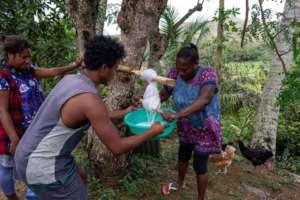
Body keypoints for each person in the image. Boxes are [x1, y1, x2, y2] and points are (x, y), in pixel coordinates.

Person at [14, 35, 165, 200]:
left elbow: (98, 117)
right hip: (41, 163)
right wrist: (152, 132)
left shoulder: (71, 80)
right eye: (114, 69)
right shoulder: (90, 100)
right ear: (104, 68)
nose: (115, 73)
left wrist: (126, 112)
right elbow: (117, 147)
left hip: (27, 153)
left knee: (81, 177)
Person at [0, 35, 82, 200]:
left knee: (36, 163)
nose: (28, 60)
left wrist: (74, 65)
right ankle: (11, 197)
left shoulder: (29, 70)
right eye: (23, 57)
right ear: (10, 55)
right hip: (12, 131)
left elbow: (51, 72)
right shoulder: (4, 77)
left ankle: (34, 195)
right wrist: (14, 139)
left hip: (33, 130)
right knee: (7, 166)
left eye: (29, 56)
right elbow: (3, 111)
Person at [160, 44, 222, 200]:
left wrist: (177, 115)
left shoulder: (207, 74)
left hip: (204, 125)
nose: (180, 73)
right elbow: (164, 95)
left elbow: (204, 100)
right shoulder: (174, 73)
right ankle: (180, 183)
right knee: (183, 155)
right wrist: (147, 100)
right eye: (178, 68)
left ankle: (201, 197)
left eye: (185, 69)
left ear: (196, 64)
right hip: (186, 123)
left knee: (199, 165)